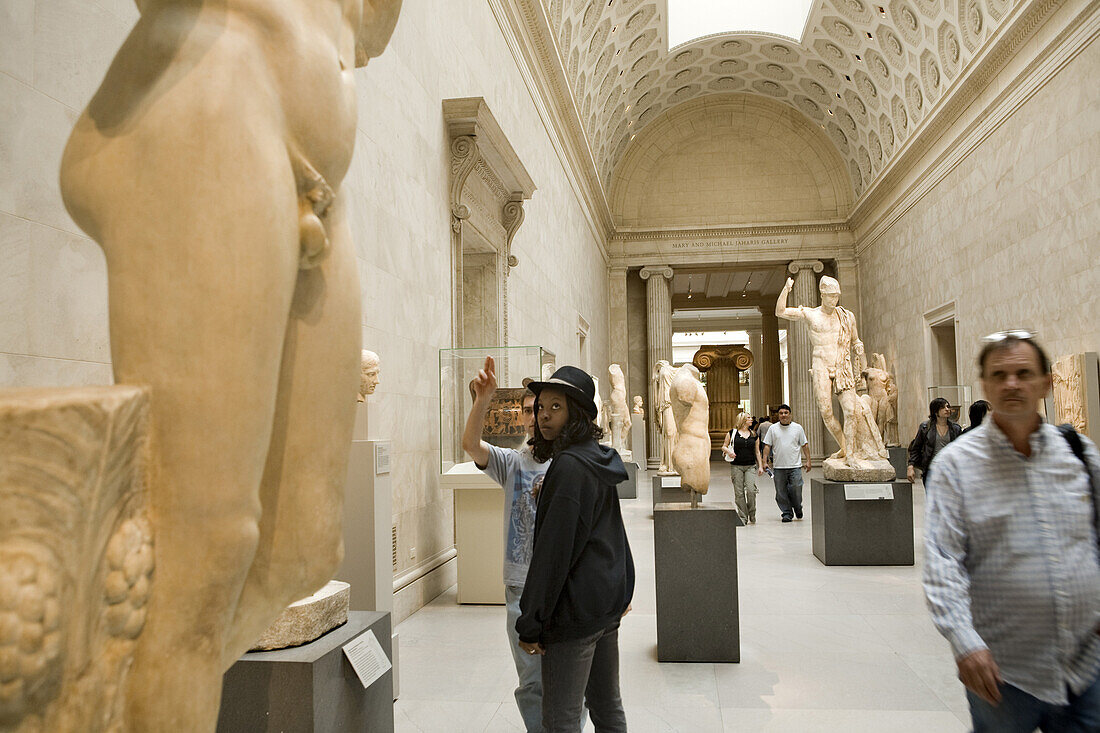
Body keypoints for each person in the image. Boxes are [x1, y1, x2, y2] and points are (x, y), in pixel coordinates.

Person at [923, 331, 1100, 731]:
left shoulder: (1078, 453)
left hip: (1086, 661)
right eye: (999, 375)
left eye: (1023, 373)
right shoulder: (957, 466)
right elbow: (942, 561)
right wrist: (965, 643)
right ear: (985, 385)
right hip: (1003, 670)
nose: (1012, 384)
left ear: (1046, 381)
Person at [517, 366, 634, 733]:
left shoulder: (569, 467)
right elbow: (608, 531)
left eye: (556, 407)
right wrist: (623, 588)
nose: (544, 415)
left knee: (560, 719)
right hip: (603, 606)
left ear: (577, 415)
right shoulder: (593, 458)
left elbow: (553, 555)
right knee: (606, 706)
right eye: (540, 407)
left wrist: (531, 622)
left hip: (574, 614)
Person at [462, 356, 548, 733]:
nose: (532, 417)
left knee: (569, 681)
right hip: (519, 584)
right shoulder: (513, 462)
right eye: (527, 410)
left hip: (561, 584)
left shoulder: (570, 463)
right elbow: (470, 444)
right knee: (531, 682)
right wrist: (483, 400)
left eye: (540, 409)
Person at [761, 404, 810, 522]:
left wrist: (808, 460)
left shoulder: (798, 428)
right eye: (781, 413)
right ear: (778, 416)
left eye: (786, 413)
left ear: (790, 414)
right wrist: (764, 461)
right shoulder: (773, 428)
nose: (783, 415)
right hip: (779, 467)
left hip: (795, 466)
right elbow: (767, 445)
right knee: (781, 492)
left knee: (796, 489)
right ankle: (787, 513)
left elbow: (804, 445)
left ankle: (798, 507)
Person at [906, 397, 962, 483]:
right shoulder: (925, 428)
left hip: (950, 470)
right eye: (943, 407)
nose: (947, 409)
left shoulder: (955, 429)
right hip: (931, 470)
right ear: (936, 412)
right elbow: (916, 448)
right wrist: (911, 466)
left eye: (948, 407)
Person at [722, 412, 764, 524]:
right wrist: (729, 452)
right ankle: (743, 516)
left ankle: (752, 513)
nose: (751, 419)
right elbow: (724, 446)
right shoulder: (732, 433)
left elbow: (757, 452)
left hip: (750, 466)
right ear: (743, 420)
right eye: (749, 418)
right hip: (736, 466)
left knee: (751, 491)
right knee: (739, 493)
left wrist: (760, 466)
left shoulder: (754, 435)